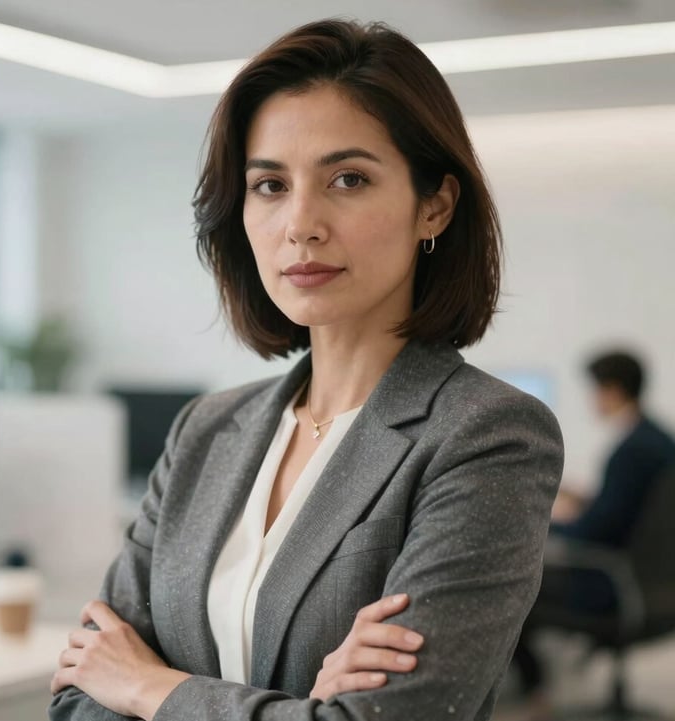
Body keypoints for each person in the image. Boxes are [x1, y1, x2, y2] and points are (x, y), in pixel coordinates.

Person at [49, 19, 563, 721]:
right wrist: (298, 707)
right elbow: (79, 691)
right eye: (269, 185)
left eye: (347, 179)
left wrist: (148, 686)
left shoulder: (486, 435)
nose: (301, 223)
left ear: (434, 205)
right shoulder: (206, 428)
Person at [512, 350, 675, 717]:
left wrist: (538, 523)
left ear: (612, 390)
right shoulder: (658, 441)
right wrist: (585, 500)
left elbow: (595, 532)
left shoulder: (631, 452)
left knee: (517, 584)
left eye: (595, 391)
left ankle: (533, 692)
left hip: (615, 583)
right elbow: (628, 515)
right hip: (656, 586)